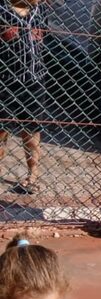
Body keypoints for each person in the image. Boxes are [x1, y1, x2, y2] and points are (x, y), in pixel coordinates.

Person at [0, 0, 48, 194]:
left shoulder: (40, 9)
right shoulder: (2, 9)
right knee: (1, 130)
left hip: (34, 80)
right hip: (5, 81)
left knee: (32, 130)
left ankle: (33, 175)